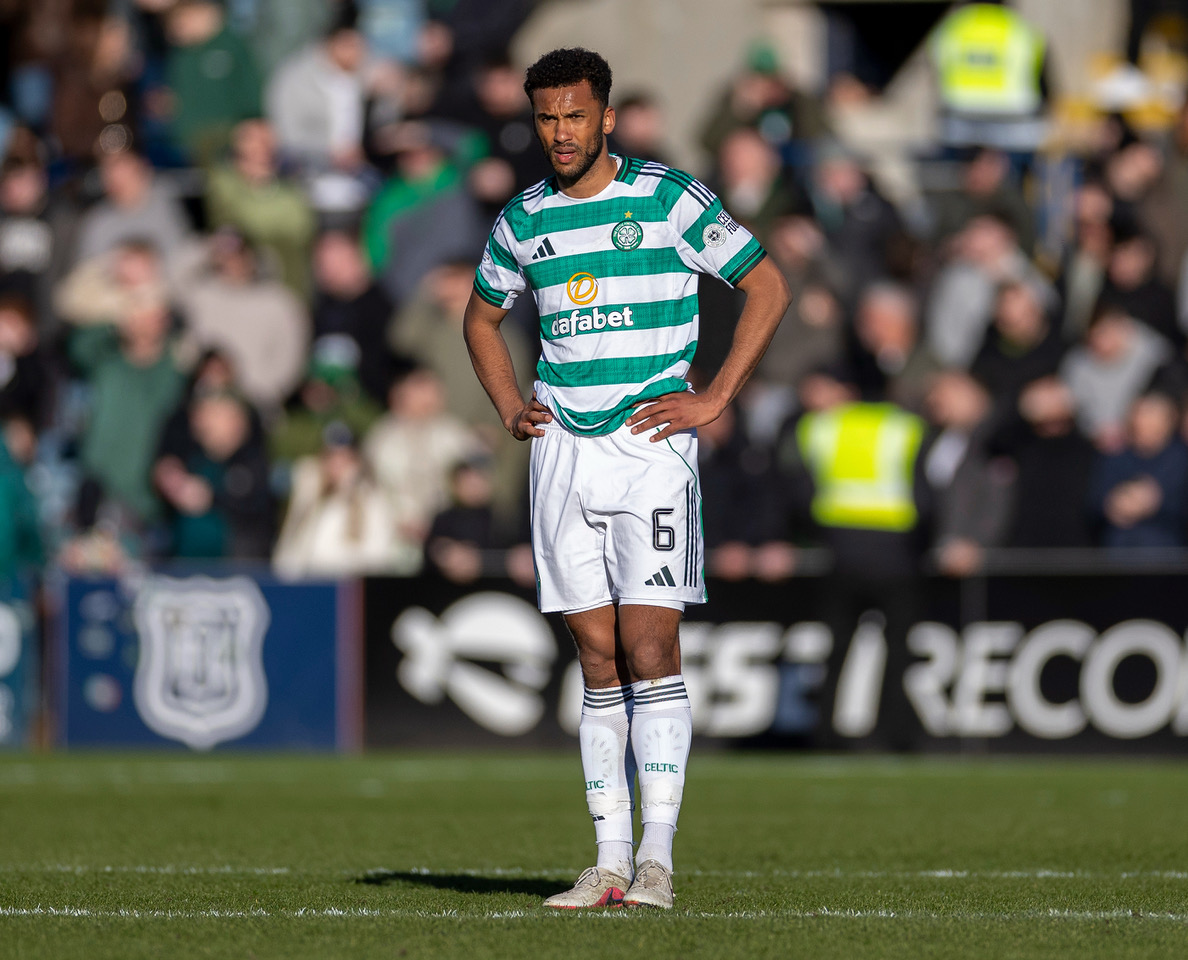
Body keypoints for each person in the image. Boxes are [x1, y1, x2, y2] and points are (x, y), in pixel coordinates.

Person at [463, 48, 790, 910]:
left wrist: (715, 394)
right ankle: (607, 861)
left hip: (649, 448)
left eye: (576, 115)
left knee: (651, 647)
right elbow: (481, 316)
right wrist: (507, 406)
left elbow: (766, 285)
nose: (561, 132)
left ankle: (657, 860)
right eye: (547, 117)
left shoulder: (668, 197)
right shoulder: (523, 219)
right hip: (562, 453)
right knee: (597, 657)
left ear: (606, 117)